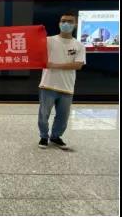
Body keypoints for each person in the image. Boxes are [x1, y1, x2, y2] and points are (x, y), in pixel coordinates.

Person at [38, 10, 86, 150]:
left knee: (63, 117)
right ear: (59, 23)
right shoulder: (48, 41)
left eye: (70, 21)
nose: (66, 24)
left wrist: (54, 65)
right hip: (47, 84)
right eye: (63, 21)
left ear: (75, 24)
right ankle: (43, 137)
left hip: (67, 87)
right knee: (43, 115)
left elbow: (78, 65)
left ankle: (55, 137)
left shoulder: (79, 46)